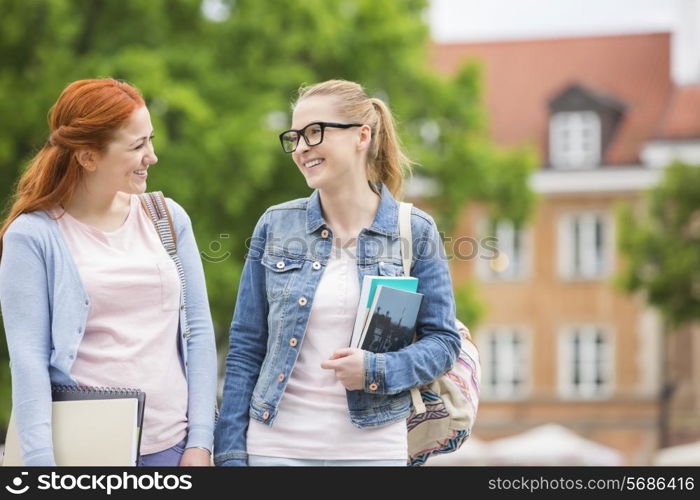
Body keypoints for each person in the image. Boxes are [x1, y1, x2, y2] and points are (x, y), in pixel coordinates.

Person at [214, 79, 461, 466]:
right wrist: (229, 454)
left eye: (315, 132)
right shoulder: (276, 225)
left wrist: (376, 369)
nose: (301, 148)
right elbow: (246, 346)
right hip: (274, 448)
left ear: (361, 136)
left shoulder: (415, 231)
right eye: (294, 137)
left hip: (373, 450)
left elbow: (444, 342)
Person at [0, 78, 217, 466]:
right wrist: (40, 466)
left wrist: (200, 442)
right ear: (88, 156)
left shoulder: (168, 218)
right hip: (83, 454)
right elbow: (28, 359)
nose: (151, 156)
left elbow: (198, 331)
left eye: (150, 139)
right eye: (137, 146)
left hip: (172, 448)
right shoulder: (32, 236)